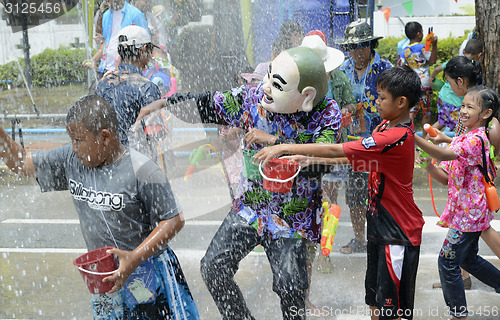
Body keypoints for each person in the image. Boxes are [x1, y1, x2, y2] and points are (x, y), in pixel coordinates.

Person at [133, 46, 342, 319]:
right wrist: (164, 103)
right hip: (250, 208)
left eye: (276, 85)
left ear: (306, 96)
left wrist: (277, 144)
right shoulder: (253, 98)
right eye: (268, 77)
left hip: (293, 218)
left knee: (291, 288)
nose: (265, 88)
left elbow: (324, 160)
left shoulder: (326, 113)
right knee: (213, 266)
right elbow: (209, 103)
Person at [0, 95, 199, 319]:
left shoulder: (141, 169)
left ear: (105, 137)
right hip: (103, 275)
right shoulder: (71, 161)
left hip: (145, 270)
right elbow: (19, 163)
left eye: (78, 140)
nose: (73, 148)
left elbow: (173, 219)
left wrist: (133, 257)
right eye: (71, 140)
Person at [254, 65, 425, 320]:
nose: (375, 102)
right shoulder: (383, 129)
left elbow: (338, 150)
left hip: (397, 235)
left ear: (401, 102)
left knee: (394, 310)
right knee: (376, 303)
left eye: (381, 98)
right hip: (379, 230)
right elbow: (359, 160)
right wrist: (308, 158)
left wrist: (282, 146)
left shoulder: (394, 137)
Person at [415, 85, 500, 320]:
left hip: (469, 215)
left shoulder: (477, 140)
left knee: (447, 262)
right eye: (462, 105)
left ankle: (458, 315)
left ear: (485, 114)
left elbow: (442, 154)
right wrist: (429, 166)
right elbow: (445, 177)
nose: (462, 111)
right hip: (465, 213)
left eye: (469, 107)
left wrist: (411, 136)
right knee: (467, 259)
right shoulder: (464, 138)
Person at [300, 31, 351, 314]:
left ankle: (324, 254)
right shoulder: (286, 96)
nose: (329, 77)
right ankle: (297, 296)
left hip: (315, 179)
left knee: (324, 215)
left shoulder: (329, 107)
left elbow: (326, 153)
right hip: (289, 185)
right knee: (295, 245)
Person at [335, 20, 393, 254]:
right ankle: (360, 238)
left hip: (380, 143)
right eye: (353, 47)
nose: (358, 51)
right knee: (356, 194)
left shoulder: (386, 69)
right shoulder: (342, 71)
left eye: (363, 45)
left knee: (382, 194)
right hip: (353, 143)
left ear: (372, 44)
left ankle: (382, 238)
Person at [94, 25, 164, 162]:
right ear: (143, 50)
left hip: (107, 160)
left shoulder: (103, 84)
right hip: (135, 163)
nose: (151, 56)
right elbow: (154, 132)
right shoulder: (147, 88)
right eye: (150, 50)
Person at [82, 0, 149, 76]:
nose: (106, 2)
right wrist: (93, 60)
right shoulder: (106, 15)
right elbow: (106, 43)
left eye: (108, 0)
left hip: (127, 71)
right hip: (106, 69)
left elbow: (146, 44)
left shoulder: (135, 14)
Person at [428, 41, 483, 133]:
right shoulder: (474, 73)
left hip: (443, 98)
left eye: (450, 83)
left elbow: (437, 69)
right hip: (455, 104)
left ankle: (426, 141)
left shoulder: (455, 62)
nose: (451, 88)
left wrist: (431, 78)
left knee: (442, 122)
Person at [400, 21, 438, 128]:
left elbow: (402, 68)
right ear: (418, 34)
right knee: (426, 113)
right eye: (422, 31)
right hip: (425, 84)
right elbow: (432, 61)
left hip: (412, 85)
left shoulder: (404, 51)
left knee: (411, 111)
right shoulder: (422, 47)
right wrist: (434, 45)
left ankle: (408, 133)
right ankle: (425, 139)